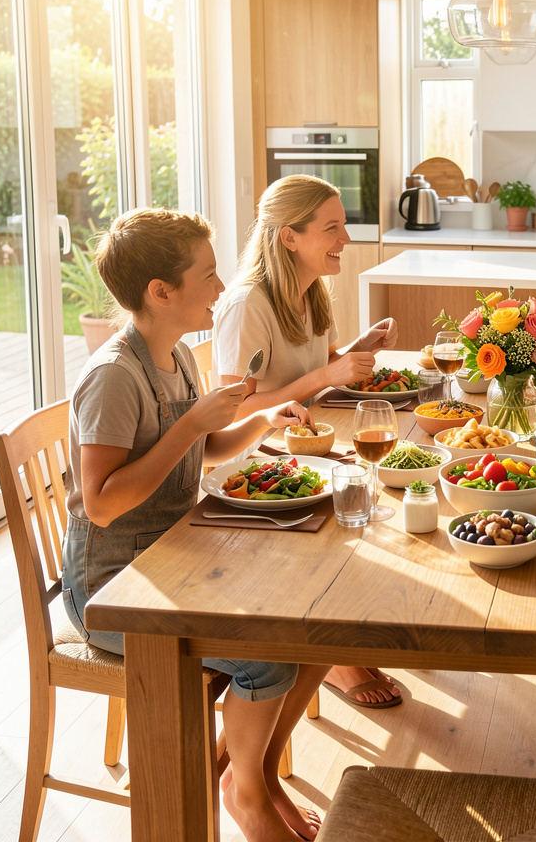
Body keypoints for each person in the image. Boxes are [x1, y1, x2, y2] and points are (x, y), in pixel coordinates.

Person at [62, 208, 330, 842]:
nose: (220, 288)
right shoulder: (113, 378)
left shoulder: (177, 354)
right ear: (161, 293)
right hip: (114, 588)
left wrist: (266, 419)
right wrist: (190, 423)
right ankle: (249, 796)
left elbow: (202, 451)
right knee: (267, 658)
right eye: (208, 276)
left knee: (310, 624)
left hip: (174, 556)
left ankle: (253, 773)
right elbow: (100, 504)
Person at [213, 174, 403, 709]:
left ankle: (339, 637)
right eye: (332, 228)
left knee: (383, 498)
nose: (345, 238)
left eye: (342, 225)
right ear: (289, 237)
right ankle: (333, 654)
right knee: (362, 502)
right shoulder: (247, 303)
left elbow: (313, 366)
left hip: (304, 449)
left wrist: (356, 351)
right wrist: (328, 376)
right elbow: (231, 413)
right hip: (252, 468)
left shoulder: (311, 291)